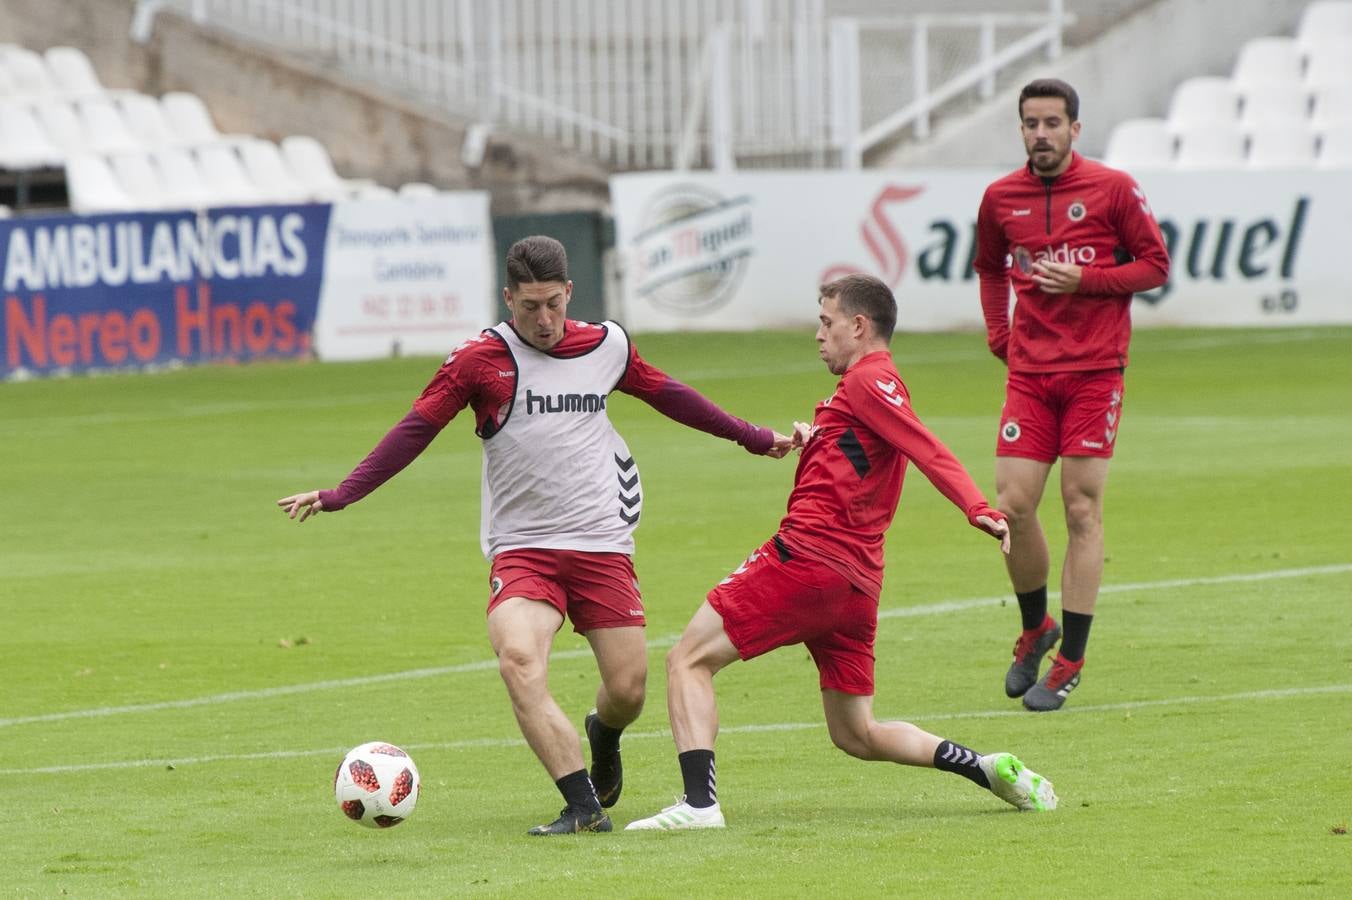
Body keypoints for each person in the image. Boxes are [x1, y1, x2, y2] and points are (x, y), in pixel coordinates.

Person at [278, 235, 792, 835]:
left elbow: (671, 397)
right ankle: (581, 806)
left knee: (627, 692)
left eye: (553, 303)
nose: (543, 320)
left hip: (602, 544)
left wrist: (751, 436)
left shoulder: (608, 346)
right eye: (529, 307)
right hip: (524, 550)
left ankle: (603, 734)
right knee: (519, 659)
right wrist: (342, 494)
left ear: (569, 292)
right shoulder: (478, 360)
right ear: (508, 299)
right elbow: (413, 430)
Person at [625, 274, 1056, 831]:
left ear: (859, 326)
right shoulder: (868, 388)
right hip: (856, 585)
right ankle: (985, 768)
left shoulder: (868, 382)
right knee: (857, 733)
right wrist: (816, 438)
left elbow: (924, 446)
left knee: (686, 660)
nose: (818, 334)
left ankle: (699, 806)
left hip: (807, 561)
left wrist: (976, 505)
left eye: (826, 322)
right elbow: (865, 457)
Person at [974, 78, 1170, 711]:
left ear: (1074, 129)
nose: (1040, 134)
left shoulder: (1113, 189)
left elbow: (1154, 266)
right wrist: (1000, 332)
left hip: (1094, 372)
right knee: (1012, 506)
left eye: (1052, 123)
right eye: (1030, 123)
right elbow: (988, 266)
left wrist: (1087, 279)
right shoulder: (1001, 197)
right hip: (1030, 375)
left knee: (1081, 509)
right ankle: (1036, 627)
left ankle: (1070, 658)